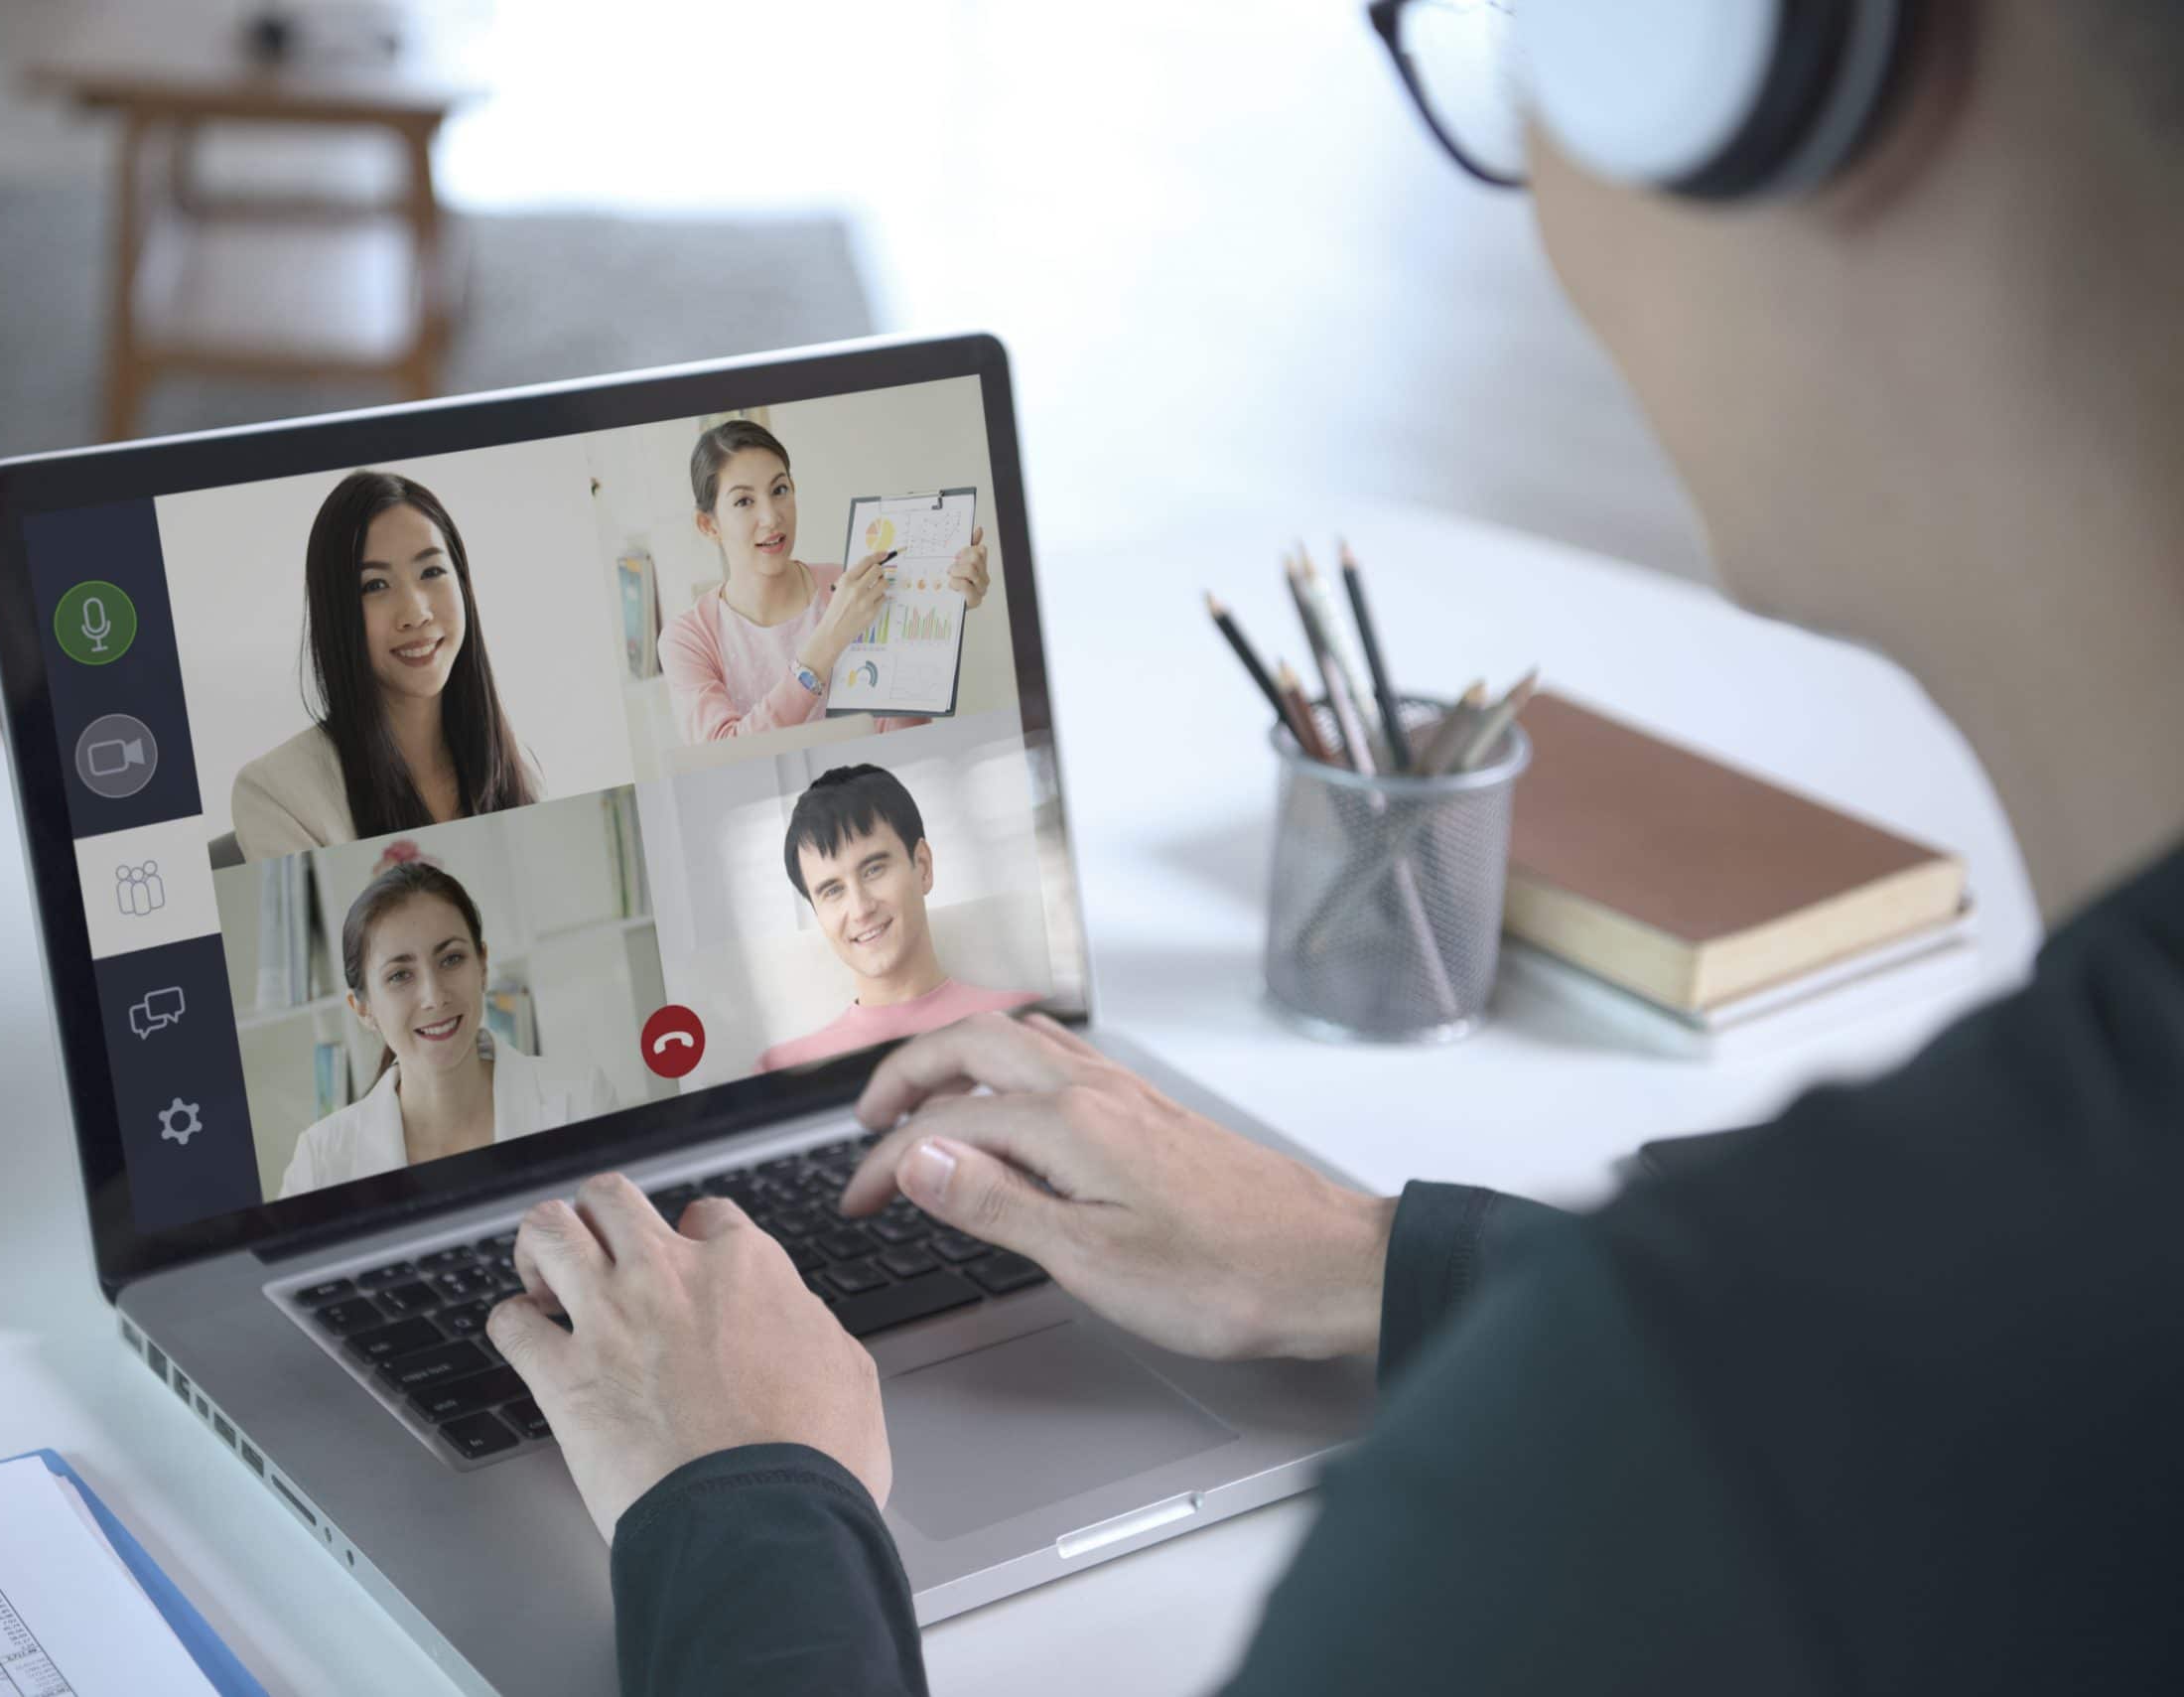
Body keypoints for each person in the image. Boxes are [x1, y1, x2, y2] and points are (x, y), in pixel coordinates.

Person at [479, 5, 2184, 1694]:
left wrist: (744, 1504)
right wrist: (1387, 1259)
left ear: (1738, 60)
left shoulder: (1646, 1467)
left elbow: (1788, 1393)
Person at [232, 471, 540, 860]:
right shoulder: (276, 794)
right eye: (375, 585)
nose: (415, 612)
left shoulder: (517, 767)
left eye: (431, 572)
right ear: (337, 614)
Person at [277, 863, 614, 1197]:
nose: (434, 997)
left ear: (482, 966)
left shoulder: (580, 1100)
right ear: (363, 1009)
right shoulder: (319, 1163)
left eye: (451, 959)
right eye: (399, 975)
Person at [659, 420, 993, 745]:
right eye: (744, 501)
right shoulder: (688, 639)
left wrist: (946, 603)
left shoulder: (851, 587)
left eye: (779, 490)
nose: (772, 517)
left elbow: (905, 734)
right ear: (708, 525)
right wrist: (828, 641)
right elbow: (725, 759)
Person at [754, 764, 1034, 1071]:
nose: (861, 909)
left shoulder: (1024, 1021)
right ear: (818, 915)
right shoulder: (784, 1067)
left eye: (873, 869)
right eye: (832, 890)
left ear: (923, 867)